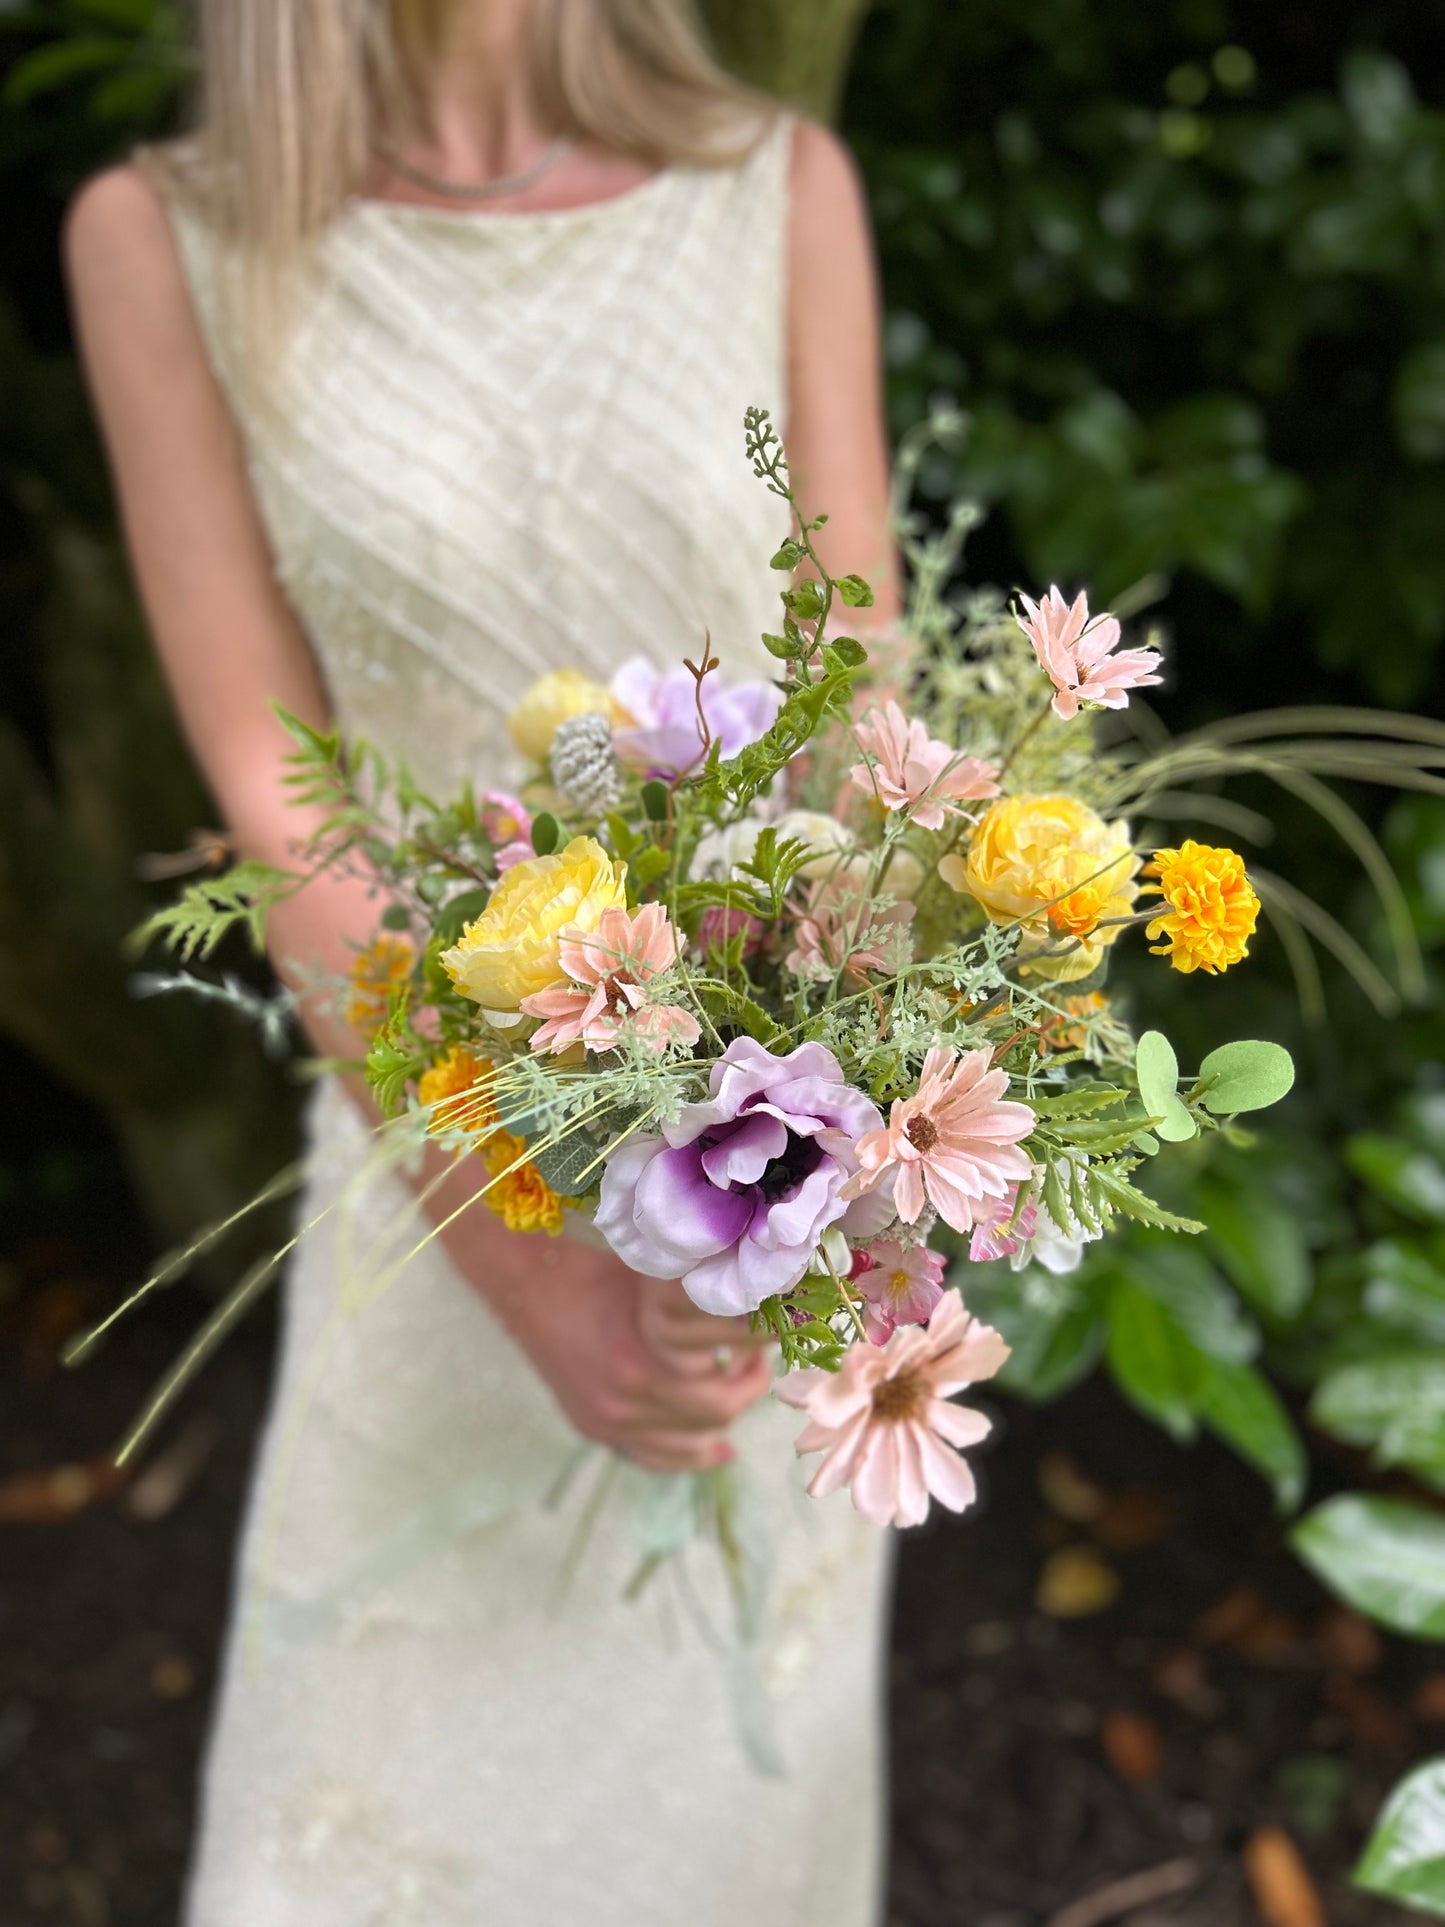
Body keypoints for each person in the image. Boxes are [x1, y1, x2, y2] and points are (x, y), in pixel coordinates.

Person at [66, 2, 899, 1919]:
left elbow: (866, 725)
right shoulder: (161, 240)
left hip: (769, 1178)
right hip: (441, 1165)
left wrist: (822, 1176)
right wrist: (531, 1266)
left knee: (734, 1828)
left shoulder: (780, 187)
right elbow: (289, 821)